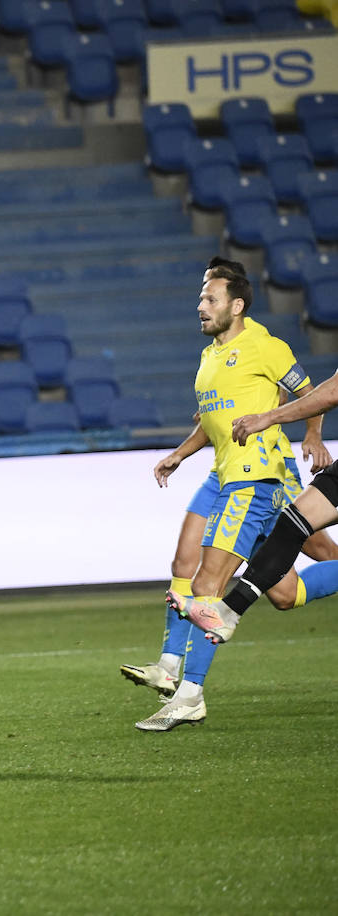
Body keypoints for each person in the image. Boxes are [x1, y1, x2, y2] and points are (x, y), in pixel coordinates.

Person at [129, 257, 338, 732]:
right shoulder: (209, 358)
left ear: (236, 304)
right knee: (283, 592)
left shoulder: (264, 346)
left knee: (208, 584)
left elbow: (312, 391)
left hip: (257, 477)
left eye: (209, 299)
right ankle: (171, 668)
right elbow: (212, 419)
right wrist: (180, 455)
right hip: (224, 475)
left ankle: (188, 694)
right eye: (201, 298)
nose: (200, 306)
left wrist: (311, 436)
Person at [173, 366, 338, 645]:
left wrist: (270, 418)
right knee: (293, 522)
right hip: (231, 470)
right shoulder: (210, 358)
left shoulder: (265, 346)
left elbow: (326, 393)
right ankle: (228, 611)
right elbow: (333, 387)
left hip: (265, 469)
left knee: (317, 548)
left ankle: (188, 672)